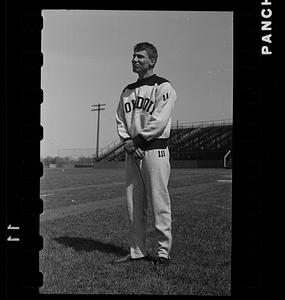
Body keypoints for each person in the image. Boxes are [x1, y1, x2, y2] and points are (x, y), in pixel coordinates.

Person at [115, 42, 177, 266]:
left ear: (152, 61)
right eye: (133, 56)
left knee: (160, 202)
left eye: (140, 57)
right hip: (133, 152)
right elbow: (120, 120)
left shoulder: (164, 86)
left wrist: (137, 141)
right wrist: (127, 142)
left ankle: (163, 252)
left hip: (155, 150)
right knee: (134, 203)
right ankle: (138, 251)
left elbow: (159, 121)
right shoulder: (127, 90)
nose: (134, 60)